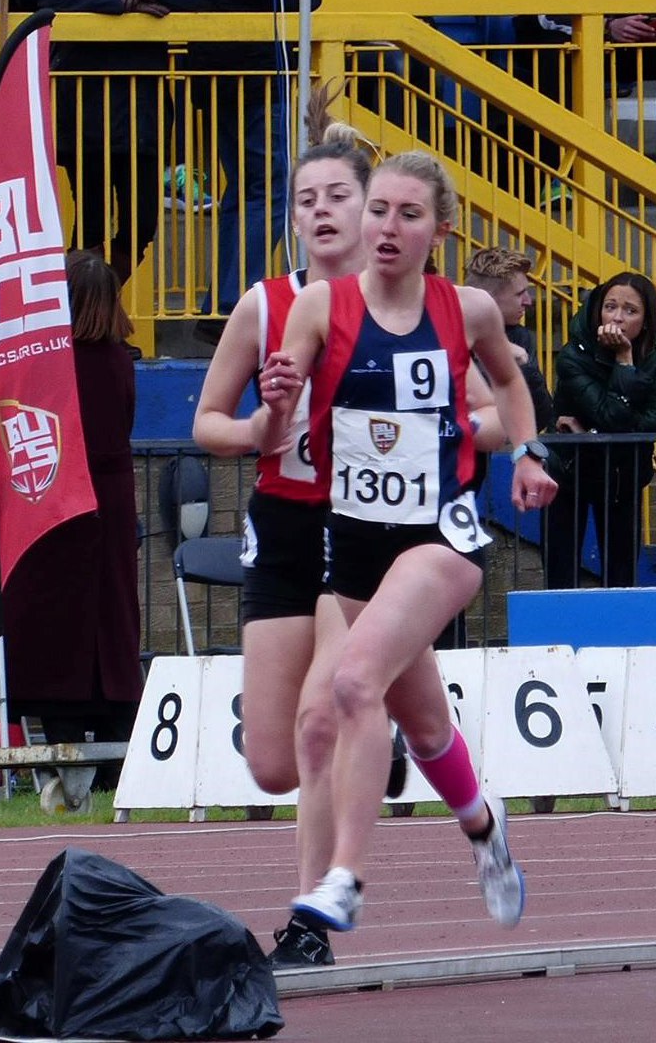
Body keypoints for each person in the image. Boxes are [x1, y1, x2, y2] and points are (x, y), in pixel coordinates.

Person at [194, 95, 506, 964]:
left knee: (324, 716)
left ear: (373, 212)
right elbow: (208, 424)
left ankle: (309, 921)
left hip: (373, 530)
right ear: (293, 218)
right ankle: (424, 764)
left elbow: (489, 410)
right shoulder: (267, 306)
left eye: (341, 196)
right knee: (272, 761)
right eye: (308, 200)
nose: (324, 212)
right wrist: (260, 429)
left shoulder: (415, 307)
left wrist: (437, 430)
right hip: (284, 527)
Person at [254, 150, 557, 932]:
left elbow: (511, 383)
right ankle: (484, 826)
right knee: (422, 725)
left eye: (408, 214)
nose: (387, 227)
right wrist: (277, 402)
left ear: (439, 231)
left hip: (441, 536)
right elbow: (277, 431)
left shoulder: (468, 311)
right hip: (356, 541)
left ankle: (344, 879)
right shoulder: (319, 307)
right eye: (378, 210)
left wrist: (527, 454)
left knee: (354, 683)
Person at [0, 251, 142, 785]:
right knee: (112, 618)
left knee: (61, 626)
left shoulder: (51, 364)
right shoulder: (121, 358)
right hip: (113, 500)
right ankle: (115, 751)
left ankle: (67, 744)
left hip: (61, 499)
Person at [157, 0, 328, 346]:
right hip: (255, 75)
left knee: (244, 191)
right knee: (270, 188)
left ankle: (220, 307)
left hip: (214, 72)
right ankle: (231, 304)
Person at [513, 0, 656, 199]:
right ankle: (556, 176)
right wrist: (606, 27)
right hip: (575, 49)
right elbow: (543, 15)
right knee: (553, 50)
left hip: (627, 50)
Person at [38, 0, 174, 287]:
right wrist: (116, 0)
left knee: (141, 225)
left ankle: (96, 301)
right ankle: (84, 306)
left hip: (141, 104)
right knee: (91, 224)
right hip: (85, 103)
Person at [545, 271, 656, 588]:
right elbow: (612, 416)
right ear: (598, 310)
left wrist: (625, 359)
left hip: (623, 474)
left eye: (630, 310)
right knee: (561, 576)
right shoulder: (573, 355)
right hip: (570, 472)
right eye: (610, 306)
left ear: (646, 321)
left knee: (621, 576)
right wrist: (617, 421)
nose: (617, 318)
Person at [463, 246, 554, 432]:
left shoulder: (518, 336)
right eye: (519, 294)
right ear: (487, 300)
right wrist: (497, 355)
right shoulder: (444, 332)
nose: (528, 301)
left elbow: (541, 417)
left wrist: (525, 367)